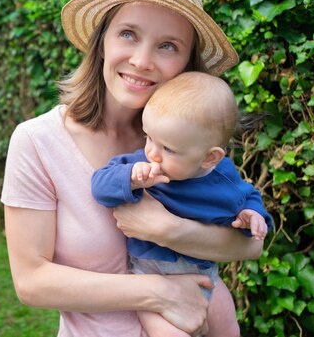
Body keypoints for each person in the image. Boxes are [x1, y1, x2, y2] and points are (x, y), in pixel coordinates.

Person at [1, 0, 264, 337]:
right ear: (103, 41)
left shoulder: (184, 142)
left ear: (187, 65)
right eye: (128, 34)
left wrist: (167, 229)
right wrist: (159, 292)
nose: (141, 61)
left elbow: (249, 247)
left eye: (168, 46)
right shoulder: (38, 142)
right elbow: (31, 281)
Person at [91, 71, 273, 337]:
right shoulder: (139, 164)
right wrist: (130, 179)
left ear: (209, 157)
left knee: (229, 330)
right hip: (149, 275)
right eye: (149, 138)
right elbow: (100, 186)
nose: (152, 152)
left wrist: (251, 215)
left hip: (203, 275)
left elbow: (248, 197)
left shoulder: (223, 179)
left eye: (169, 149)